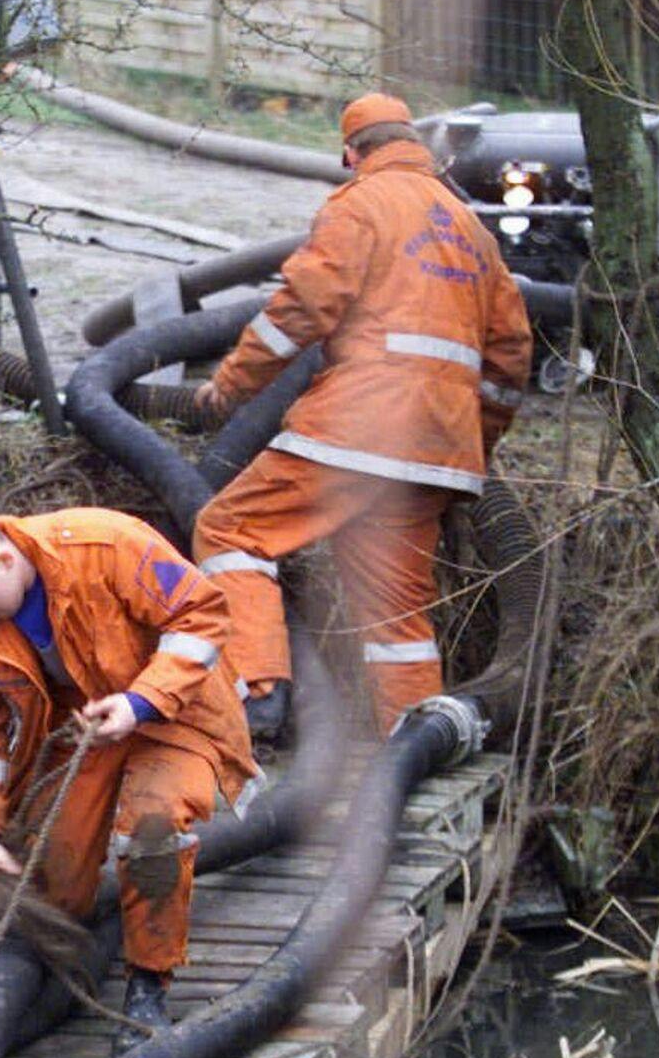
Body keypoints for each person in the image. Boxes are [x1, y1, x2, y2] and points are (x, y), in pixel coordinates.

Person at [190, 93, 533, 740]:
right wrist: (470, 443)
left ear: (351, 153)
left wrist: (232, 386)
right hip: (437, 452)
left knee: (230, 531)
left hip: (356, 428)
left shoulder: (360, 205)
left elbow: (300, 310)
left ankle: (261, 691)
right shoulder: (471, 231)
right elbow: (512, 357)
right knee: (397, 616)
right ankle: (410, 755)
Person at [0, 507, 258, 1049]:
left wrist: (141, 701)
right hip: (80, 725)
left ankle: (148, 984)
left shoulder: (106, 546)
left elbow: (202, 614)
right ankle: (42, 973)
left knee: (152, 830)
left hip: (176, 710)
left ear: (5, 560)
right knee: (52, 874)